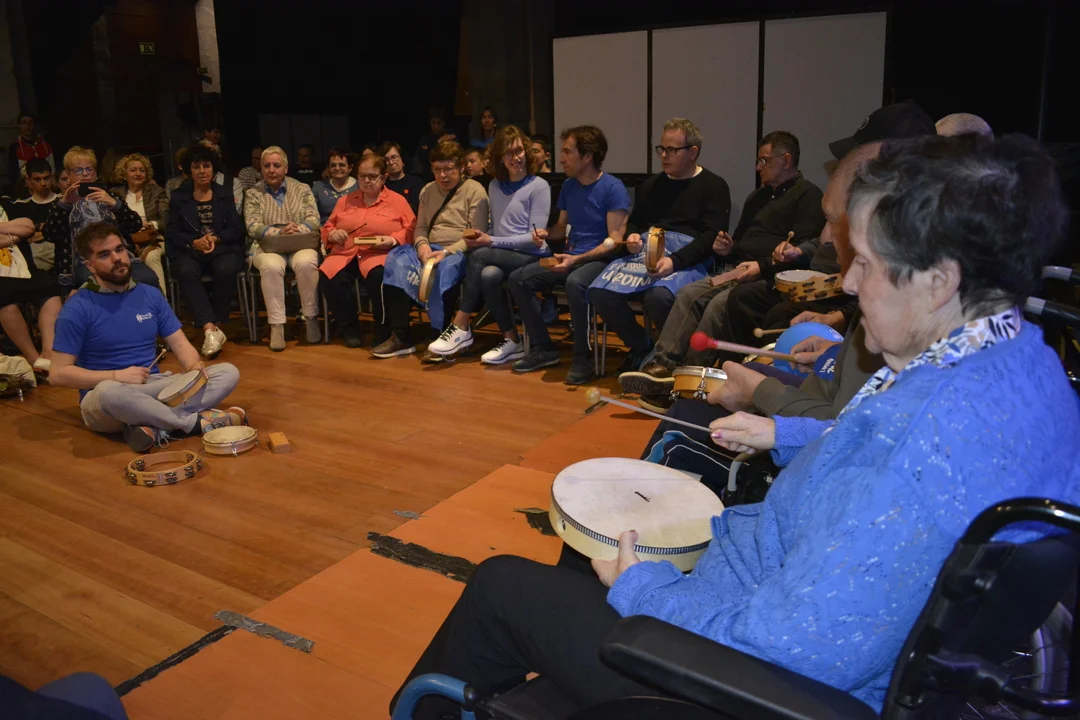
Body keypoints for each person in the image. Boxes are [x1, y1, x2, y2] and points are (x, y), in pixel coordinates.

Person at [392, 132, 1080, 720]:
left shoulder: (926, 445)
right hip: (767, 600)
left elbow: (795, 645)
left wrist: (642, 589)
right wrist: (783, 437)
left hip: (731, 679)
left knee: (500, 587)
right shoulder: (1024, 366)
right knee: (583, 551)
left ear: (939, 280)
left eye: (866, 264)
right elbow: (863, 463)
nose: (846, 284)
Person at [618, 131, 825, 408]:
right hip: (738, 269)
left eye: (764, 160)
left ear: (786, 160)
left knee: (717, 306)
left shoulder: (809, 196)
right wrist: (728, 247)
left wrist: (762, 265)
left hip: (769, 278)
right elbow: (739, 240)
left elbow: (802, 254)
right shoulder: (757, 197)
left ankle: (688, 384)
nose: (758, 167)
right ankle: (662, 367)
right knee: (689, 293)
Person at [49, 222, 245, 453]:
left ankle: (152, 425)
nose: (117, 258)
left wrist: (193, 368)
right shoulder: (76, 308)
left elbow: (180, 344)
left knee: (227, 372)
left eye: (119, 249)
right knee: (109, 391)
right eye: (104, 254)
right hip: (106, 400)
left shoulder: (150, 294)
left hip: (153, 386)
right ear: (89, 265)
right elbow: (58, 374)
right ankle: (192, 423)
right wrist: (116, 376)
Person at [589, 118, 731, 373]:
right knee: (600, 292)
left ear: (693, 152)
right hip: (648, 252)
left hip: (689, 258)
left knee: (659, 297)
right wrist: (632, 237)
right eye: (661, 149)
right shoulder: (651, 185)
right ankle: (642, 347)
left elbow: (710, 237)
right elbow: (636, 223)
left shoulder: (714, 186)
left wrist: (675, 262)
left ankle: (674, 357)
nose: (664, 156)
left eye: (672, 150)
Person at [508, 126, 631, 383]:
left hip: (601, 260)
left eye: (567, 152)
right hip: (569, 257)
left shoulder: (613, 187)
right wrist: (544, 233)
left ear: (587, 156)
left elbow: (614, 241)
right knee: (518, 278)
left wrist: (577, 259)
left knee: (576, 283)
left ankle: (582, 357)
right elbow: (561, 228)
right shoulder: (569, 185)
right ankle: (544, 348)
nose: (561, 159)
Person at [426, 125, 551, 363]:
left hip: (533, 255)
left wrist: (490, 240)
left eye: (518, 151)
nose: (515, 158)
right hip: (504, 254)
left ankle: (460, 324)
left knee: (480, 255)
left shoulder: (539, 186)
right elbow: (498, 228)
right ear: (499, 158)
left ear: (526, 151)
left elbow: (534, 238)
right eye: (508, 153)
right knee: (488, 275)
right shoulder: (494, 185)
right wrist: (482, 236)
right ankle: (512, 339)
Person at [379, 141, 489, 360]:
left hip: (459, 250)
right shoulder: (427, 190)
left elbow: (476, 235)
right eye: (438, 170)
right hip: (430, 247)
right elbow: (420, 227)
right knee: (396, 260)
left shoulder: (475, 191)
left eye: (449, 169)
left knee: (445, 268)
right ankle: (401, 335)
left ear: (461, 167)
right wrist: (422, 246)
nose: (443, 175)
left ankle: (438, 332)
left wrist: (446, 252)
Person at [319, 153, 415, 348]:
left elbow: (411, 229)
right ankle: (349, 328)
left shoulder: (397, 201)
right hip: (346, 252)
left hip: (379, 254)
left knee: (380, 277)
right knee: (330, 276)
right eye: (362, 176)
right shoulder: (346, 200)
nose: (367, 181)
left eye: (372, 176)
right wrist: (333, 234)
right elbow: (328, 226)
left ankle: (383, 330)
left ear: (383, 178)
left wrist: (393, 239)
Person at [42, 146, 161, 291]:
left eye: (89, 169)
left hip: (118, 256)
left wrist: (114, 204)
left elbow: (135, 225)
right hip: (83, 262)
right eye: (78, 170)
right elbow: (49, 234)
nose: (85, 174)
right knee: (99, 284)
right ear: (68, 174)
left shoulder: (111, 196)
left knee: (148, 278)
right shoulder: (61, 203)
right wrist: (65, 205)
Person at [166, 144, 245, 358]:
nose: (202, 171)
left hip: (222, 248)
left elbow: (237, 229)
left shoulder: (224, 194)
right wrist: (194, 242)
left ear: (213, 169)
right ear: (189, 170)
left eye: (206, 166)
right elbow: (172, 231)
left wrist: (216, 238)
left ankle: (217, 325)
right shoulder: (179, 196)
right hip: (190, 250)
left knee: (227, 267)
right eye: (196, 166)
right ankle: (209, 328)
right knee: (185, 270)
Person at [244, 146, 322, 351]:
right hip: (267, 246)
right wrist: (278, 232)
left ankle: (311, 318)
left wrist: (297, 229)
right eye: (267, 166)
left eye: (276, 165)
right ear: (261, 168)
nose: (271, 170)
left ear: (286, 168)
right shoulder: (253, 193)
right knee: (271, 266)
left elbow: (314, 218)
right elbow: (251, 225)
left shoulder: (302, 189)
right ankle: (277, 325)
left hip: (299, 241)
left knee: (306, 262)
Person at [0, 208, 61, 375]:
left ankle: (48, 352)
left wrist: (7, 236)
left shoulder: (7, 204)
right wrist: (13, 235)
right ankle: (33, 358)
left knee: (50, 288)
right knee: (4, 298)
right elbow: (18, 233)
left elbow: (28, 228)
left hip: (25, 270)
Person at [109, 153, 169, 294]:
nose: (138, 173)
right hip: (125, 240)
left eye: (142, 170)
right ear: (124, 174)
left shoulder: (157, 192)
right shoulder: (114, 194)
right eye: (133, 170)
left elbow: (167, 218)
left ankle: (160, 301)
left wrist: (152, 224)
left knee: (152, 257)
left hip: (153, 238)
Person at [8, 158, 59, 272]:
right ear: (29, 180)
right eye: (37, 179)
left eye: (46, 178)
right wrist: (52, 230)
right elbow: (20, 239)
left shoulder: (63, 202)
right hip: (33, 264)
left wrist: (37, 232)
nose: (43, 183)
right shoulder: (20, 206)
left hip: (62, 259)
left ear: (52, 177)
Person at [7, 112, 55, 185]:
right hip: (26, 187)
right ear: (19, 126)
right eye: (24, 122)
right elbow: (13, 174)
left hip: (47, 184)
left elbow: (53, 167)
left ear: (35, 125)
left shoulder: (46, 145)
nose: (28, 126)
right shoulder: (15, 147)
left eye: (31, 122)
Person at [312, 148, 357, 224]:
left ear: (350, 168)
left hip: (352, 228)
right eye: (333, 165)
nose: (337, 168)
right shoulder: (318, 187)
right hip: (324, 229)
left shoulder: (360, 187)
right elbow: (311, 214)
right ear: (328, 168)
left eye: (341, 165)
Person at [412, 106, 458, 178]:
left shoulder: (450, 136)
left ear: (444, 123)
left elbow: (454, 156)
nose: (436, 126)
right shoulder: (425, 138)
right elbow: (423, 158)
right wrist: (438, 142)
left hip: (448, 172)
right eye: (433, 123)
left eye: (439, 123)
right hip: (429, 175)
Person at [380, 142, 425, 214]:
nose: (391, 162)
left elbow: (416, 209)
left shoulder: (416, 182)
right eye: (386, 160)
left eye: (394, 157)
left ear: (402, 159)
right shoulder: (381, 185)